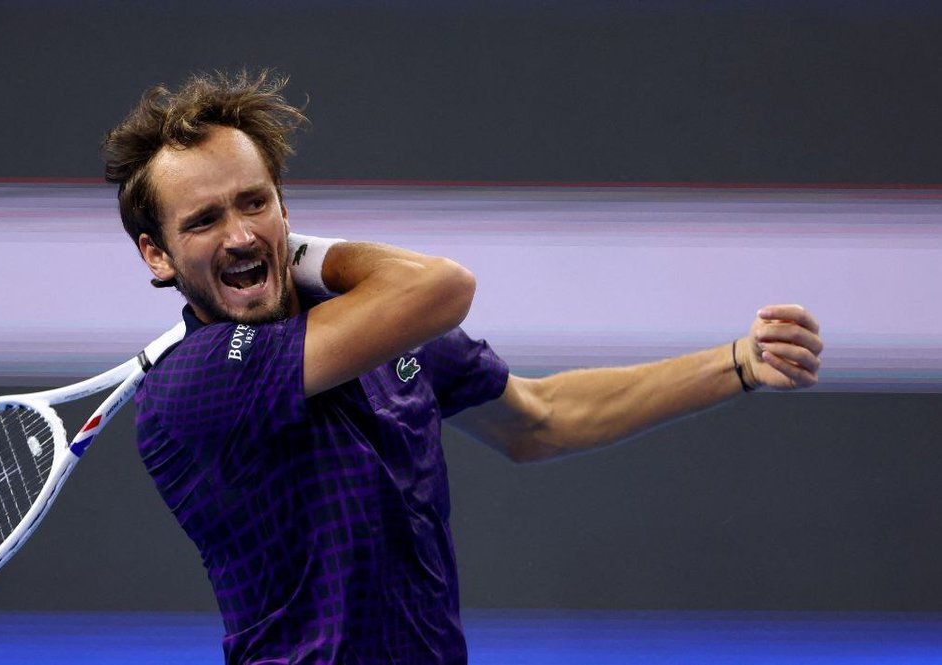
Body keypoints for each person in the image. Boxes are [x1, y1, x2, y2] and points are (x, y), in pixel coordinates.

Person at [101, 70, 823, 664]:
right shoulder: (195, 383)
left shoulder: (376, 331)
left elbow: (539, 420)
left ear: (284, 205)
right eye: (204, 220)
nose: (238, 234)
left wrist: (736, 364)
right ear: (156, 255)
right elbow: (442, 286)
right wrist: (295, 248)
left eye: (254, 202)